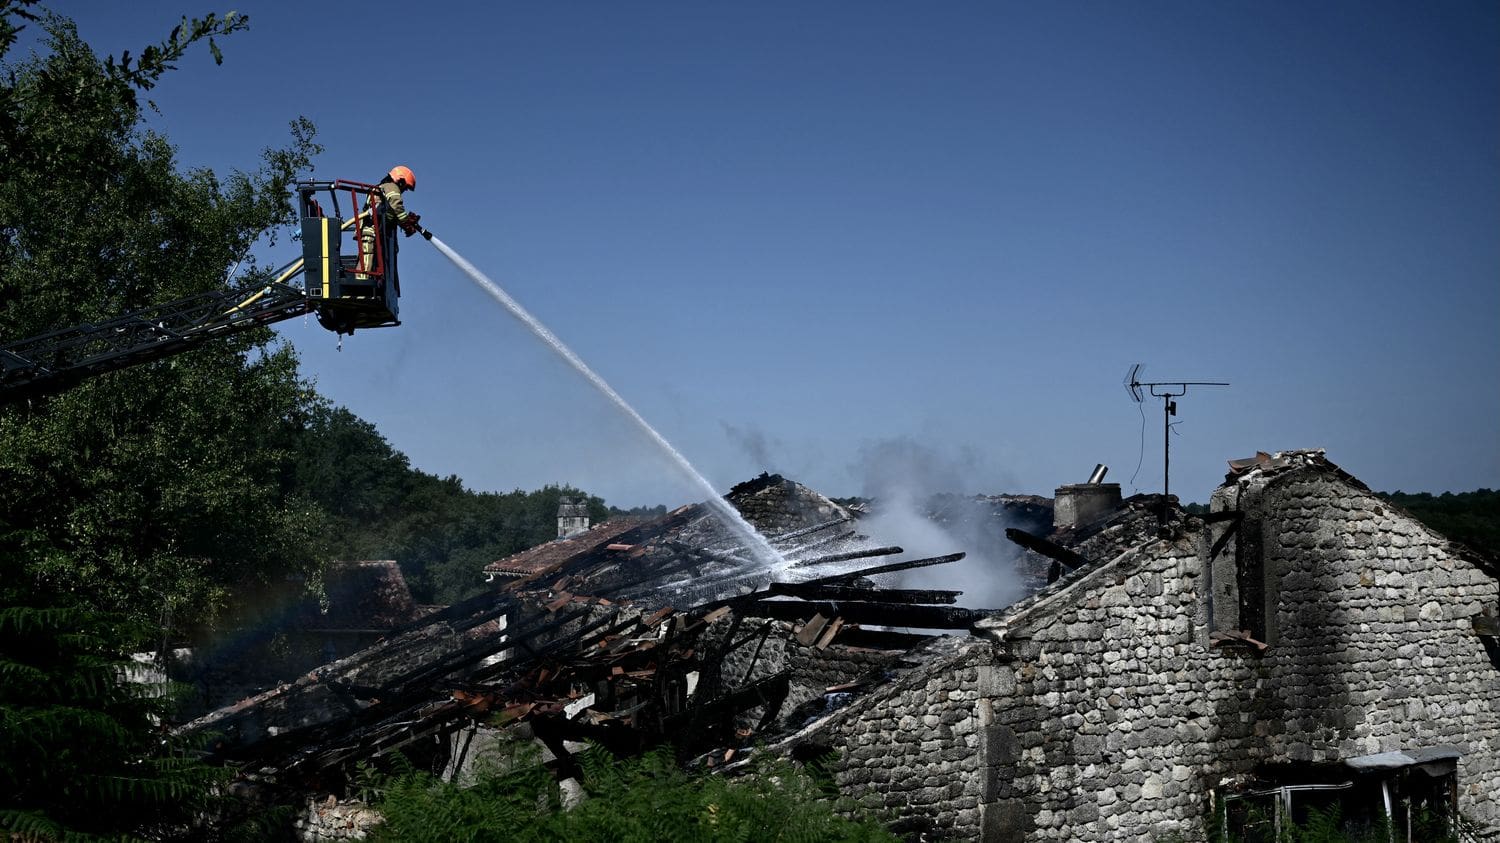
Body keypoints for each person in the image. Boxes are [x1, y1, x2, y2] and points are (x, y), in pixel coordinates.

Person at [357, 165, 421, 283]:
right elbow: (397, 205)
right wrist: (406, 223)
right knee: (367, 257)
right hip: (371, 229)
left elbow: (390, 213)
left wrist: (405, 222)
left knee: (372, 258)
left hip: (376, 230)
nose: (404, 190)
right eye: (405, 187)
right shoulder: (391, 187)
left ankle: (367, 281)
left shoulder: (383, 188)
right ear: (400, 180)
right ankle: (360, 284)